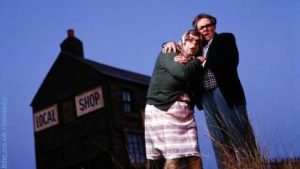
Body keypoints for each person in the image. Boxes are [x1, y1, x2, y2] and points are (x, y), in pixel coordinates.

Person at [163, 13, 260, 169]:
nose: (205, 29)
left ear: (214, 25)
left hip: (225, 93)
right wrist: (169, 43)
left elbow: (230, 62)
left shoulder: (225, 39)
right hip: (207, 97)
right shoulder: (198, 48)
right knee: (218, 139)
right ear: (197, 30)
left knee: (239, 135)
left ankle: (252, 165)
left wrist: (203, 62)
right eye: (201, 27)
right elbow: (183, 49)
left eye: (208, 25)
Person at [145, 29, 204, 169]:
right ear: (181, 42)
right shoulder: (170, 52)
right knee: (174, 157)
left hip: (185, 113)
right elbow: (181, 74)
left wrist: (193, 61)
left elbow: (195, 86)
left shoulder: (193, 62)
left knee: (194, 157)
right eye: (190, 40)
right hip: (163, 109)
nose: (194, 44)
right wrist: (197, 61)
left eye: (197, 42)